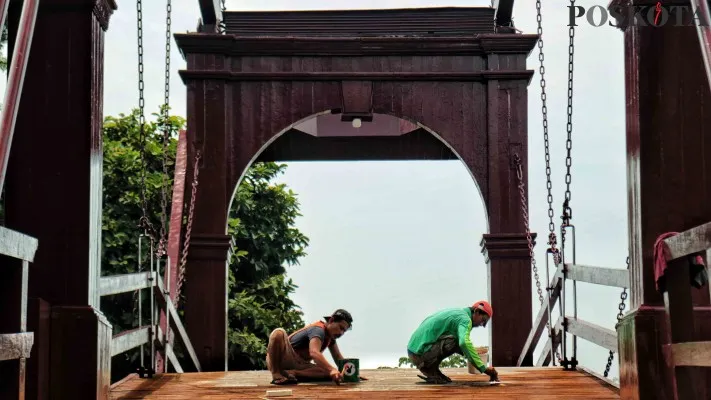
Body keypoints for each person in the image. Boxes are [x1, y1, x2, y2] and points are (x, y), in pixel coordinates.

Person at [266, 309, 367, 385]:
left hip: (301, 364)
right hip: (283, 357)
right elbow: (314, 353)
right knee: (278, 332)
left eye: (344, 331)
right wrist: (332, 370)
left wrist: (352, 374)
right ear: (331, 320)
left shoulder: (331, 337)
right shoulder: (318, 329)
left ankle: (292, 373)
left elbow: (338, 359)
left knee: (326, 371)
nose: (341, 333)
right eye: (340, 328)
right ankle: (276, 373)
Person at [406, 300, 498, 384]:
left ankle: (433, 371)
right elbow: (463, 343)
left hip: (414, 350)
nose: (482, 325)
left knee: (460, 342)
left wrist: (472, 354)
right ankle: (428, 368)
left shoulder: (458, 313)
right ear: (477, 312)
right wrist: (484, 368)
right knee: (456, 340)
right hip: (419, 353)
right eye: (483, 321)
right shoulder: (465, 320)